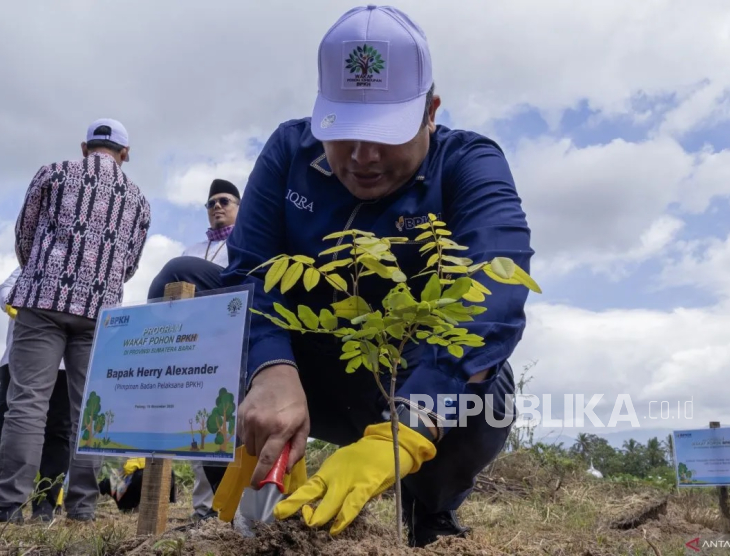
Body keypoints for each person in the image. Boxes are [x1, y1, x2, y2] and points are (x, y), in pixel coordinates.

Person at [148, 5, 535, 547]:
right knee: (186, 280)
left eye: (386, 133)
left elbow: (494, 290)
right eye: (345, 131)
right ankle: (247, 498)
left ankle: (430, 510)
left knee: (490, 386)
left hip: (408, 376)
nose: (363, 156)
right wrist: (271, 367)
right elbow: (250, 272)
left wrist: (407, 427)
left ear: (431, 112)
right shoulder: (290, 151)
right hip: (311, 372)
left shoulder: (467, 165)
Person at [0, 118, 151, 523]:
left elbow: (25, 234)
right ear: (125, 154)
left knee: (26, 404)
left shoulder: (52, 173)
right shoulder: (139, 199)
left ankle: (7, 507)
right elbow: (129, 265)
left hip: (42, 299)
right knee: (87, 413)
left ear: (84, 146)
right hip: (99, 312)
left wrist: (43, 272)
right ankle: (82, 508)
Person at [152, 178, 242, 520]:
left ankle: (229, 507)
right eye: (210, 203)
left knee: (226, 424)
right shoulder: (191, 249)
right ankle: (205, 510)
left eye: (224, 201)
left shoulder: (249, 240)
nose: (217, 207)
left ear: (239, 207)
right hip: (194, 346)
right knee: (198, 427)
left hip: (229, 344)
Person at [0, 267, 71, 521]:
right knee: (2, 426)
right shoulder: (36, 259)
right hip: (20, 358)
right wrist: (22, 305)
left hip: (66, 364)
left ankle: (44, 505)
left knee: (59, 431)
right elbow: (4, 290)